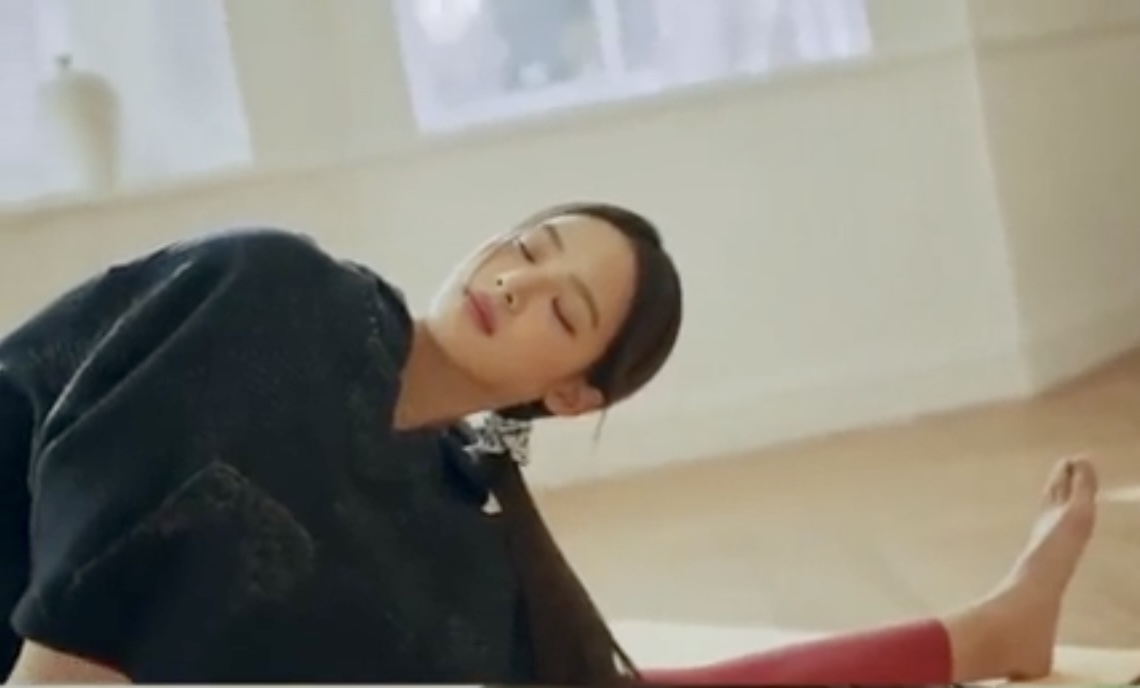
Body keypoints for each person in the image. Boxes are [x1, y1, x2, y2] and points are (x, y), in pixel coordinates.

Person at [0, 202, 1096, 685]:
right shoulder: (277, 285)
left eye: (562, 311)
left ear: (569, 395)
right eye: (527, 248)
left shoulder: (461, 536)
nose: (516, 283)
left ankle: (987, 632)